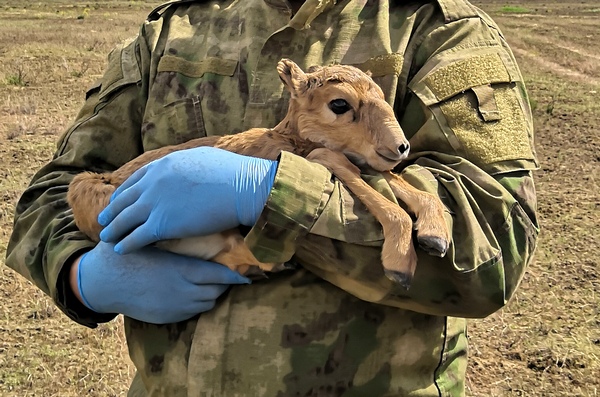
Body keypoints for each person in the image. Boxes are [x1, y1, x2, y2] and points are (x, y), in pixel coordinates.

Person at [5, 0, 540, 396]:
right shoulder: (173, 30)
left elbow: (495, 244)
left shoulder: (434, 29)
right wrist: (81, 274)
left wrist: (272, 193)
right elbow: (53, 192)